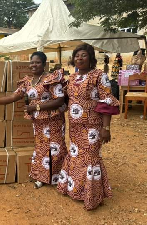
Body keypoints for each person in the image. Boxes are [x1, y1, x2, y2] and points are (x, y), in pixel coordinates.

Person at [0, 51, 68, 188]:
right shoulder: (27, 82)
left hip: (54, 120)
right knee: (41, 148)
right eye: (32, 62)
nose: (34, 65)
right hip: (38, 122)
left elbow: (59, 100)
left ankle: (60, 176)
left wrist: (36, 107)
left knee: (56, 147)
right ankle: (43, 177)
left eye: (37, 62)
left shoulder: (51, 79)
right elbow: (12, 97)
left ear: (44, 64)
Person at [57, 44, 120, 210]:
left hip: (93, 127)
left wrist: (106, 128)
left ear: (91, 58)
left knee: (91, 157)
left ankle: (92, 195)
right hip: (75, 127)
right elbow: (63, 98)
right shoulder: (72, 78)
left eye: (83, 55)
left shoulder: (99, 76)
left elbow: (107, 101)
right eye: (77, 56)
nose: (79, 58)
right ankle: (76, 190)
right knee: (76, 156)